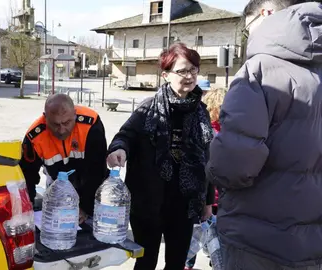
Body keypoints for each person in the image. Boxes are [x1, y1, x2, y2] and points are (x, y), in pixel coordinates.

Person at [206, 1, 322, 269]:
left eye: (247, 29)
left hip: (259, 240)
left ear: (266, 13)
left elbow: (233, 166)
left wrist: (211, 169)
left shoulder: (260, 70)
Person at [107, 43, 215, 270]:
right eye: (182, 71)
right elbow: (125, 135)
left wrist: (206, 202)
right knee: (145, 262)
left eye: (194, 70)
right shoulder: (148, 109)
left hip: (185, 204)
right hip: (148, 201)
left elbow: (208, 159)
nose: (189, 76)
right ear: (166, 75)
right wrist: (119, 150)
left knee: (176, 263)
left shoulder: (202, 112)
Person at [19, 94, 108, 222]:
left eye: (66, 123)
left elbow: (97, 171)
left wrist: (85, 208)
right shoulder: (34, 137)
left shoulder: (91, 125)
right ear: (45, 117)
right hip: (57, 187)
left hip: (90, 186)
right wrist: (27, 209)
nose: (61, 130)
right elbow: (27, 176)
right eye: (55, 124)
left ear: (75, 114)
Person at [185, 88, 226, 270]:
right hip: (218, 199)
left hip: (202, 197)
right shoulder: (225, 134)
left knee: (191, 244)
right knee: (217, 246)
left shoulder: (203, 130)